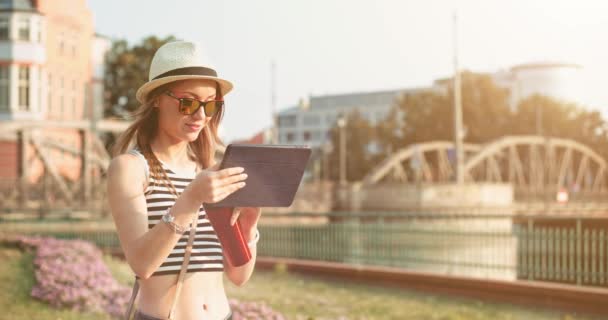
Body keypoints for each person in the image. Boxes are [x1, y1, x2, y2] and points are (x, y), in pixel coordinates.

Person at [107, 40, 261, 320]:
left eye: (211, 105)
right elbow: (142, 264)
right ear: (157, 99)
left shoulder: (211, 171)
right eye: (188, 102)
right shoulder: (130, 168)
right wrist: (191, 198)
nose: (200, 116)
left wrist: (248, 231)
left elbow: (239, 275)